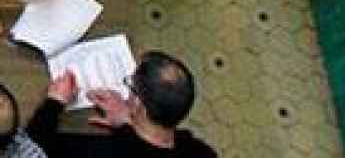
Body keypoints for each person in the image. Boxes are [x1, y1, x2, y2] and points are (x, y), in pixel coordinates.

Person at [27, 51, 218, 156]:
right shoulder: (202, 154)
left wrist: (54, 101)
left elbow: (31, 146)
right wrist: (127, 125)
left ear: (139, 105)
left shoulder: (96, 151)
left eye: (131, 86)